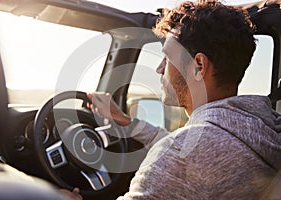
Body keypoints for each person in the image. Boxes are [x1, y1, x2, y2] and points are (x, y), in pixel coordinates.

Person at [86, 0, 281, 199]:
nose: (159, 68)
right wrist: (127, 122)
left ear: (198, 66)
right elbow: (202, 148)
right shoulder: (266, 129)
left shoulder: (178, 157)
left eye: (168, 58)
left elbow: (187, 152)